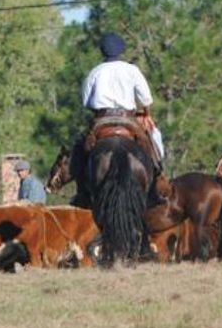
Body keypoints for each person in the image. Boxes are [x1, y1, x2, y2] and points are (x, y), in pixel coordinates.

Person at [70, 32, 165, 208]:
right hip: (128, 118)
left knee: (79, 149)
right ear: (122, 49)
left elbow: (85, 102)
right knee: (153, 140)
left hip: (101, 118)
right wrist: (146, 114)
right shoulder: (132, 70)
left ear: (102, 51)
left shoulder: (95, 72)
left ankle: (81, 193)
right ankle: (156, 186)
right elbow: (146, 98)